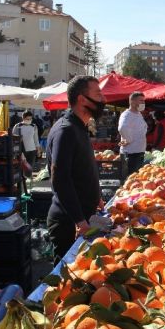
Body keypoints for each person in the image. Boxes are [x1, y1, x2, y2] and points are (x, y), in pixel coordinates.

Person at [46, 75, 105, 260]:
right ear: (82, 99)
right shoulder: (66, 130)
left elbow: (80, 169)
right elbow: (61, 180)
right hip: (68, 222)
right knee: (68, 279)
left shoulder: (79, 127)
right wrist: (79, 221)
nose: (103, 100)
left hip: (81, 217)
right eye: (98, 94)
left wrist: (97, 196)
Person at [118, 92, 148, 177]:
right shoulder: (127, 115)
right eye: (141, 101)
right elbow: (122, 128)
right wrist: (128, 140)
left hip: (138, 153)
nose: (143, 103)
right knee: (131, 179)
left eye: (144, 101)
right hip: (131, 154)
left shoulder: (138, 114)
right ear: (132, 102)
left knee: (136, 178)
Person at [13, 110, 40, 175]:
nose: (29, 120)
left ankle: (28, 181)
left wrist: (38, 149)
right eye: (27, 119)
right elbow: (13, 138)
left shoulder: (34, 126)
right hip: (21, 151)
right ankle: (22, 181)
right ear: (23, 118)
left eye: (30, 119)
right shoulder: (17, 126)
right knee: (21, 168)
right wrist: (18, 138)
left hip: (32, 150)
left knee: (29, 168)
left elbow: (36, 139)